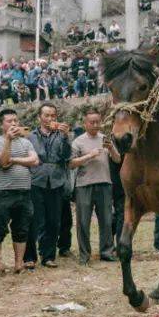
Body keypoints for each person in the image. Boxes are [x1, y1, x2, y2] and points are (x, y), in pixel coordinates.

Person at [0, 109, 38, 273]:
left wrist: (15, 160)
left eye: (16, 120)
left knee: (22, 228)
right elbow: (3, 162)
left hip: (24, 191)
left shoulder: (26, 142)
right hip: (4, 192)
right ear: (2, 124)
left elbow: (35, 160)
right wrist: (8, 140)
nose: (14, 124)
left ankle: (18, 264)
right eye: (9, 121)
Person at [27, 103, 72, 269]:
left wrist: (66, 137)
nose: (50, 119)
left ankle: (48, 256)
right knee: (35, 220)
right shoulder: (30, 136)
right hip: (36, 180)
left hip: (56, 181)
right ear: (39, 117)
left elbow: (67, 156)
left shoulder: (62, 135)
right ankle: (30, 257)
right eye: (46, 115)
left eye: (53, 116)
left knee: (54, 221)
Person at [69, 109, 117, 264]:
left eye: (98, 122)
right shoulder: (78, 142)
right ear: (85, 124)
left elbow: (117, 159)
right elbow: (71, 164)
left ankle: (107, 252)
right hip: (84, 185)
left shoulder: (105, 139)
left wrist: (111, 148)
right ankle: (84, 255)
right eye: (92, 122)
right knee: (83, 222)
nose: (96, 125)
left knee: (107, 220)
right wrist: (89, 155)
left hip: (104, 183)